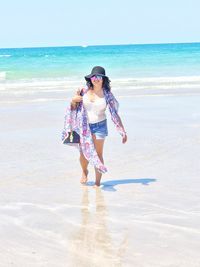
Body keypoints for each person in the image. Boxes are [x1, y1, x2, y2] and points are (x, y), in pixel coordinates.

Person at [62, 66, 127, 187]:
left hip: (100, 126)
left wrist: (122, 131)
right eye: (93, 76)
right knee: (83, 154)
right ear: (90, 78)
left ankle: (97, 183)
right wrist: (73, 100)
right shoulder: (83, 91)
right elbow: (73, 108)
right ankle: (84, 171)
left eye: (98, 77)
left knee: (98, 154)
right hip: (84, 127)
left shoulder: (107, 95)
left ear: (103, 79)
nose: (95, 79)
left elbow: (115, 114)